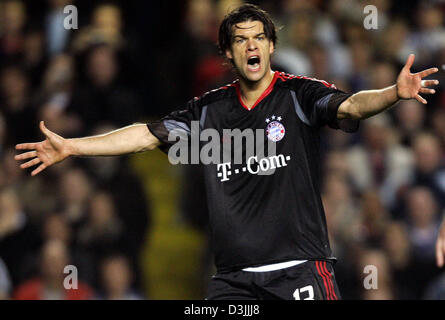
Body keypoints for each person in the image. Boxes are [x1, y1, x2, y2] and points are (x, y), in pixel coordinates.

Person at [15, 4, 439, 300]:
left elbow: (350, 105)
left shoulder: (298, 95)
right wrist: (72, 146)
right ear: (228, 53)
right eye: (240, 40)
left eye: (259, 37)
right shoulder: (209, 110)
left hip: (299, 270)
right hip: (233, 283)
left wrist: (392, 94)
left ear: (271, 46)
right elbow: (146, 134)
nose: (251, 45)